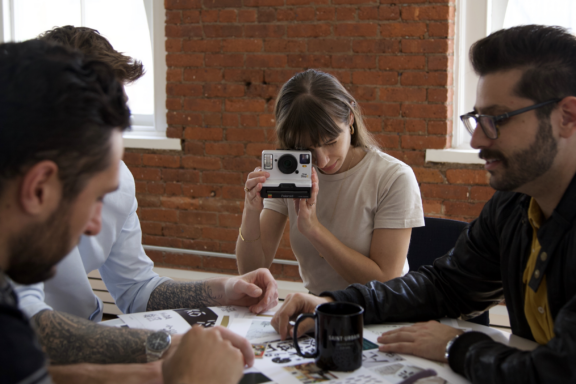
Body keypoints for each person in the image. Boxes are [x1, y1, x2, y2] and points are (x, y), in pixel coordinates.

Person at [271, 25, 576, 383]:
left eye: (496, 120)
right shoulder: (512, 206)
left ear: (567, 117)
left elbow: (562, 369)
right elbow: (444, 286)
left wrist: (457, 346)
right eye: (477, 119)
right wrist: (332, 304)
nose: (477, 139)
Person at [11, 26, 278, 375]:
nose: (93, 224)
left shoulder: (116, 178)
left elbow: (137, 289)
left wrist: (224, 289)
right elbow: (23, 324)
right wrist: (161, 349)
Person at [236, 69, 425, 295]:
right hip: (317, 310)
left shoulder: (393, 177)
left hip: (379, 312)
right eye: (306, 149)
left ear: (350, 119)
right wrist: (250, 211)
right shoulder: (293, 173)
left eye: (331, 142)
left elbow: (385, 283)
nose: (322, 160)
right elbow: (252, 272)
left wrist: (314, 229)